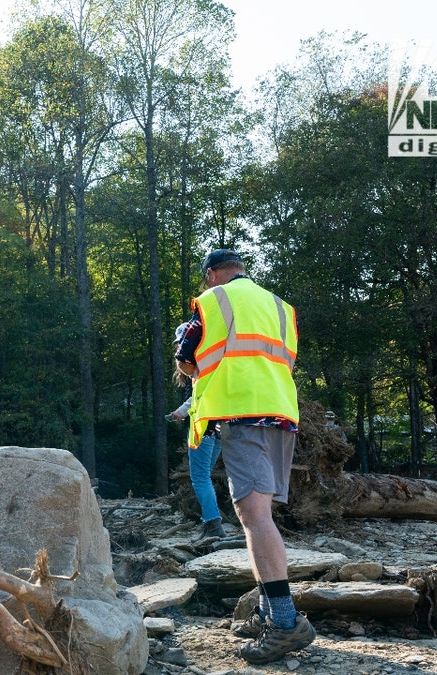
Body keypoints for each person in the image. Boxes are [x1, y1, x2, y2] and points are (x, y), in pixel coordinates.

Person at [174, 249, 315, 665]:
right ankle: (270, 612)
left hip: (242, 412)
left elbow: (188, 361)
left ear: (212, 274)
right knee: (261, 515)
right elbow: (283, 359)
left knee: (255, 517)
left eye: (205, 280)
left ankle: (285, 624)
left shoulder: (214, 301)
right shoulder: (278, 306)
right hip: (279, 412)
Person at [167, 322, 225, 542]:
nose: (178, 351)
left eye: (180, 345)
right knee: (205, 478)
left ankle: (214, 526)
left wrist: (181, 412)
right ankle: (209, 524)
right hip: (219, 430)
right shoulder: (215, 363)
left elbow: (199, 397)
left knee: (200, 479)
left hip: (204, 429)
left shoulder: (200, 369)